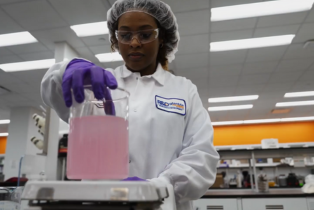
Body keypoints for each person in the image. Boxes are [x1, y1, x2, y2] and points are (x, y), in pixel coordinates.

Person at [41, 0, 219, 209]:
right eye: (125, 35)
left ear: (162, 37)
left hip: (160, 205)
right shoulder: (98, 82)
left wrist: (157, 187)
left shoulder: (184, 90)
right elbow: (51, 93)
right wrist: (67, 69)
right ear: (116, 40)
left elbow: (201, 156)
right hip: (101, 203)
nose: (134, 43)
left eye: (145, 34)